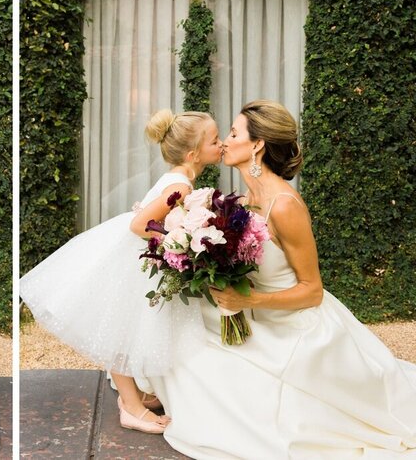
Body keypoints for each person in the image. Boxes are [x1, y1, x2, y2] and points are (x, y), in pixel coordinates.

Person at [150, 100, 416, 459]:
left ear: (257, 145)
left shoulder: (285, 206)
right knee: (182, 328)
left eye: (232, 133)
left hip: (295, 326)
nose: (225, 142)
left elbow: (313, 291)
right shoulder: (242, 201)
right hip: (255, 317)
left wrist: (249, 301)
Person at [20, 110, 223, 434]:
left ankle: (135, 395)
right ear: (193, 154)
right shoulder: (181, 186)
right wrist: (180, 241)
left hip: (134, 256)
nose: (222, 143)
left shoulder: (181, 178)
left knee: (123, 326)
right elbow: (140, 224)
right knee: (118, 329)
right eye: (215, 140)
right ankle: (130, 405)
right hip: (130, 258)